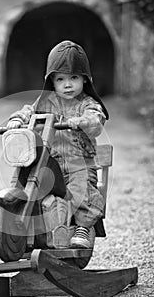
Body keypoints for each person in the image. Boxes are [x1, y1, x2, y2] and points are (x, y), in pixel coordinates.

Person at [6, 40, 109, 249]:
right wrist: (17, 120)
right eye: (61, 79)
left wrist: (80, 122)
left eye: (74, 78)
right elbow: (28, 111)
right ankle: (30, 228)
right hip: (50, 162)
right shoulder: (44, 103)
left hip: (79, 164)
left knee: (82, 189)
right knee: (30, 180)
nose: (67, 84)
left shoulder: (88, 104)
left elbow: (96, 120)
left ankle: (83, 227)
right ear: (51, 81)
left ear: (85, 80)